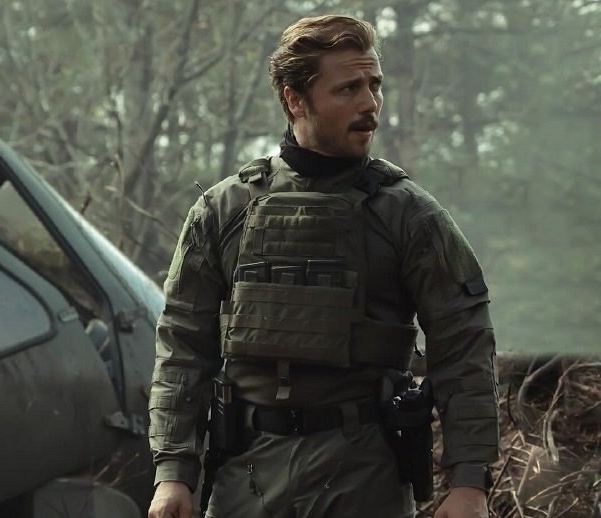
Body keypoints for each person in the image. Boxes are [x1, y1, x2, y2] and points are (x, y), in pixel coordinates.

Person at [147, 14, 498, 518]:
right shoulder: (223, 211)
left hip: (365, 477)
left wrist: (469, 481)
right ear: (295, 100)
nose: (370, 103)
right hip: (248, 477)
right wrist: (173, 472)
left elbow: (464, 344)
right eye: (348, 88)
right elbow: (183, 346)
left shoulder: (408, 215)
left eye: (375, 85)